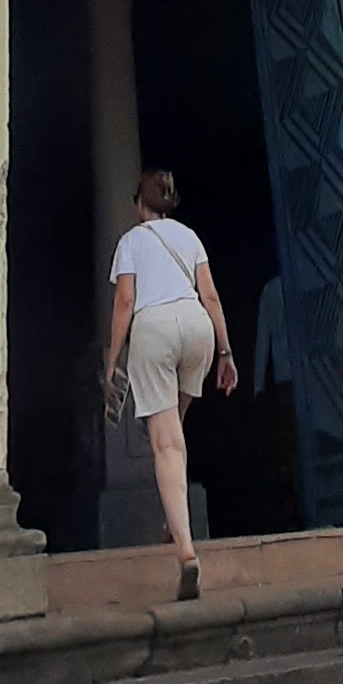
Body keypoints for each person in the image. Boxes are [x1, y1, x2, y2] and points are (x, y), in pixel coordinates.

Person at [102, 169, 237, 601]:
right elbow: (211, 295)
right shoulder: (190, 237)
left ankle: (185, 552)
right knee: (173, 432)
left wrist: (111, 358)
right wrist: (226, 353)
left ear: (139, 205)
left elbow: (126, 300)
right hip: (197, 327)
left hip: (155, 330)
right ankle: (171, 519)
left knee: (165, 444)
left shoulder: (131, 241)